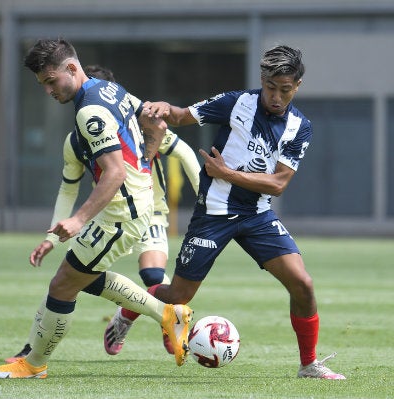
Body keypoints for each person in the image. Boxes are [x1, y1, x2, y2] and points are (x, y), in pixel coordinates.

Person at [104, 45, 346, 379]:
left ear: (298, 87)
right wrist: (163, 108)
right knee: (176, 297)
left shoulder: (299, 127)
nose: (277, 97)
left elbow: (277, 184)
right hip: (213, 215)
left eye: (285, 90)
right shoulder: (236, 103)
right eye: (271, 88)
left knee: (302, 284)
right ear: (262, 80)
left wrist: (228, 173)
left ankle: (309, 364)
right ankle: (130, 310)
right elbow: (179, 115)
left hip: (258, 215)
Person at [0, 39, 192, 379]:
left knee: (62, 285)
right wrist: (146, 154)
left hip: (122, 212)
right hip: (132, 205)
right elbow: (153, 117)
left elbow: (115, 171)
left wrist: (79, 218)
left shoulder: (88, 110)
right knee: (82, 278)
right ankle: (168, 314)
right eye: (42, 85)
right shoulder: (108, 88)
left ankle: (33, 364)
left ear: (72, 68)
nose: (49, 90)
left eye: (51, 81)